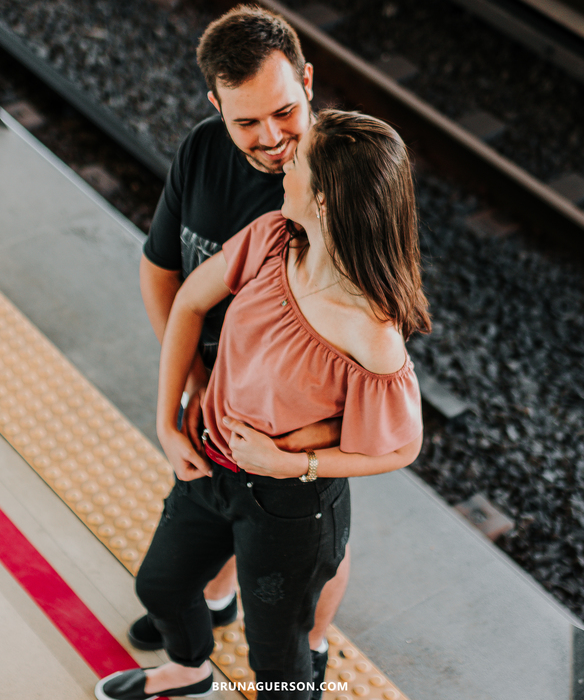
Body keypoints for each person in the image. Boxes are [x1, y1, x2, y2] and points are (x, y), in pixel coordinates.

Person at [96, 109, 431, 700]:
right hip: (210, 462)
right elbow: (188, 306)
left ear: (325, 203)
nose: (284, 162)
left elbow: (403, 446)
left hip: (289, 506)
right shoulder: (271, 235)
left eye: (298, 161)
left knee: (277, 655)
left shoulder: (371, 330)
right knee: (162, 586)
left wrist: (293, 465)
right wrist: (167, 421)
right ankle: (190, 670)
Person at [133, 5, 348, 683]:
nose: (271, 138)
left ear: (308, 80)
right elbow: (162, 270)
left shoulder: (341, 188)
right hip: (215, 402)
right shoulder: (202, 147)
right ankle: (217, 600)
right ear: (216, 106)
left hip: (296, 427)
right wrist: (193, 380)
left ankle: (310, 647)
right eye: (246, 122)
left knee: (309, 563)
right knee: (215, 531)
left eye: (283, 112)